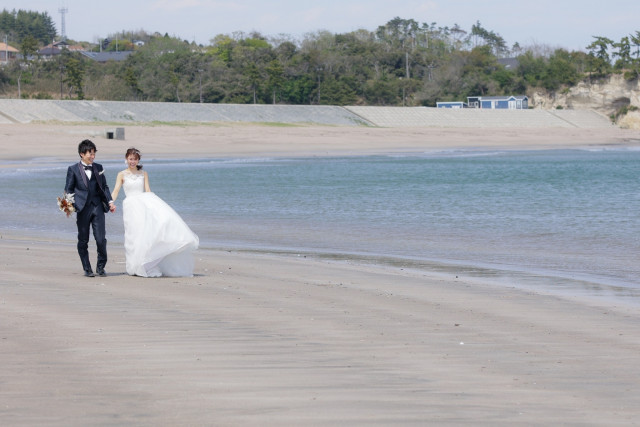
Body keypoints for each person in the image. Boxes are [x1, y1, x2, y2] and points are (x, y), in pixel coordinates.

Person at [111, 147, 199, 277]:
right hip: (130, 206)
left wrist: (156, 207)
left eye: (135, 159)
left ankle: (145, 264)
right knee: (133, 236)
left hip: (143, 205)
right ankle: (134, 266)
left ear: (138, 160)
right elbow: (116, 190)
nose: (132, 161)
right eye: (130, 159)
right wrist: (110, 202)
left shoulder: (143, 174)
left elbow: (148, 190)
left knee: (146, 234)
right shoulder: (121, 174)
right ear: (126, 159)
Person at [65, 139, 116, 277]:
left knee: (101, 239)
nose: (92, 156)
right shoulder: (73, 169)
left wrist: (110, 201)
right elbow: (68, 190)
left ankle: (101, 267)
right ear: (82, 154)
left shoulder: (98, 168)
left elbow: (104, 186)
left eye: (94, 154)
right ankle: (87, 268)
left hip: (98, 207)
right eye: (90, 154)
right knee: (83, 240)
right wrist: (68, 206)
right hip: (82, 209)